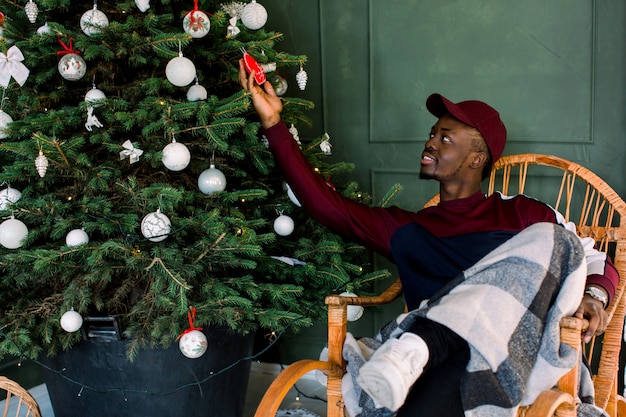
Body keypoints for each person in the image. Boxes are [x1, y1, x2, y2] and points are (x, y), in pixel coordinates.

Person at [238, 62, 619, 415]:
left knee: (554, 240)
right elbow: (326, 206)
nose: (431, 143)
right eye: (432, 134)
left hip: (509, 360)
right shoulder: (408, 229)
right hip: (439, 373)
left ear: (476, 158)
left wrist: (595, 295)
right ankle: (424, 346)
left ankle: (423, 342)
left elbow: (589, 258)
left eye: (446, 138)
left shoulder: (522, 214)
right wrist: (273, 122)